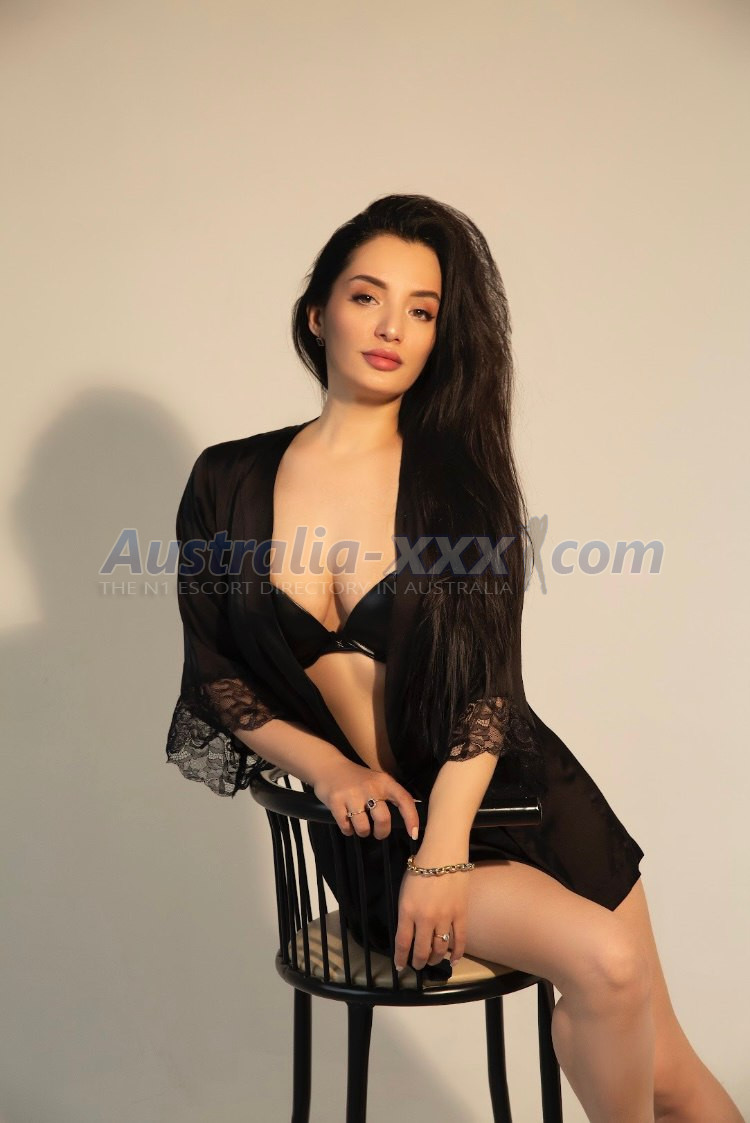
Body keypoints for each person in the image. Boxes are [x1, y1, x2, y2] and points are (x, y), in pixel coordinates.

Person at [166, 194, 744, 1122]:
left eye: (423, 310)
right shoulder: (226, 480)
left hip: (517, 801)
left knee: (670, 1073)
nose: (392, 327)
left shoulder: (459, 486)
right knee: (610, 965)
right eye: (367, 296)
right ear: (317, 313)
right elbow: (216, 673)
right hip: (380, 834)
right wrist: (331, 769)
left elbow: (489, 690)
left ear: (440, 336)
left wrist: (443, 853)